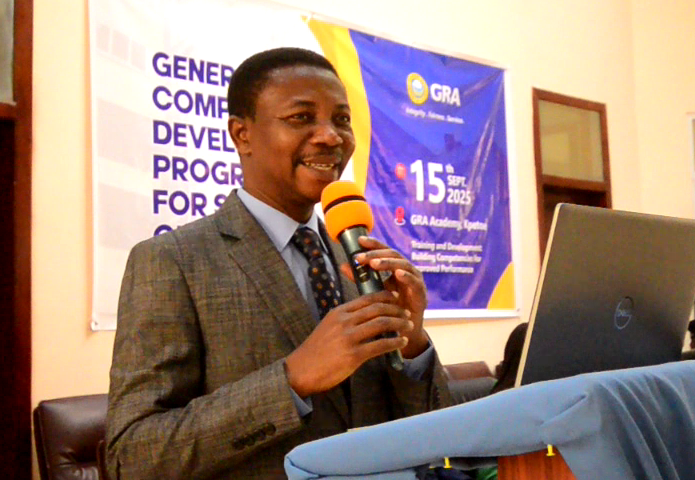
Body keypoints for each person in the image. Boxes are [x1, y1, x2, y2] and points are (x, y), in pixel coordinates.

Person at [105, 47, 453, 479]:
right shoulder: (171, 261)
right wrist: (291, 380)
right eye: (302, 117)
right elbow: (132, 457)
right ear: (242, 135)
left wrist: (412, 344)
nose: (330, 137)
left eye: (342, 119)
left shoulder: (359, 260)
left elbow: (434, 432)